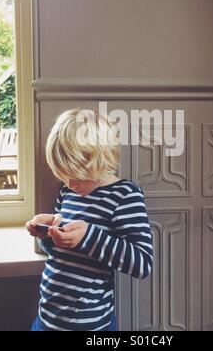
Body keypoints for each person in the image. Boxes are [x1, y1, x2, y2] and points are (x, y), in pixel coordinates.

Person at [26, 109, 153, 331]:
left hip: (91, 325)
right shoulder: (68, 192)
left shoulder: (124, 195)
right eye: (64, 174)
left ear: (104, 159)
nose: (69, 183)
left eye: (77, 176)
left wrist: (89, 236)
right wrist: (46, 234)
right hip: (46, 319)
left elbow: (142, 263)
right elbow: (57, 251)